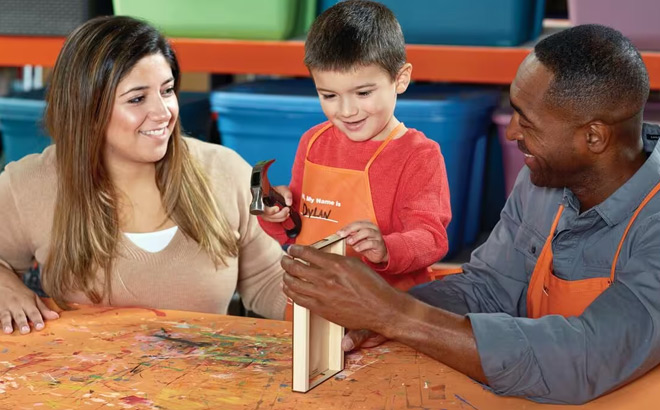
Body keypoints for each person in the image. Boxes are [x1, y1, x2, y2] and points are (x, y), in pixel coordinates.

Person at [281, 24, 660, 405]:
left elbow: (585, 359)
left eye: (527, 122)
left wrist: (393, 313)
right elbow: (488, 288)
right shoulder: (546, 178)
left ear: (593, 137)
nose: (511, 133)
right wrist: (371, 316)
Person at [0, 16, 287, 335]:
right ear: (86, 108)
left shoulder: (225, 170)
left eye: (167, 91)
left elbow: (267, 280)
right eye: (137, 99)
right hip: (81, 382)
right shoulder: (30, 182)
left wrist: (334, 316)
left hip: (202, 381)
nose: (164, 112)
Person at [259, 0, 451, 291]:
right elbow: (295, 231)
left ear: (400, 79)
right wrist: (278, 213)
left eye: (362, 93)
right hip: (316, 302)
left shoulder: (419, 154)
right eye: (329, 95)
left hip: (386, 312)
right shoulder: (313, 142)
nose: (347, 110)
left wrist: (387, 248)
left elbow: (431, 238)